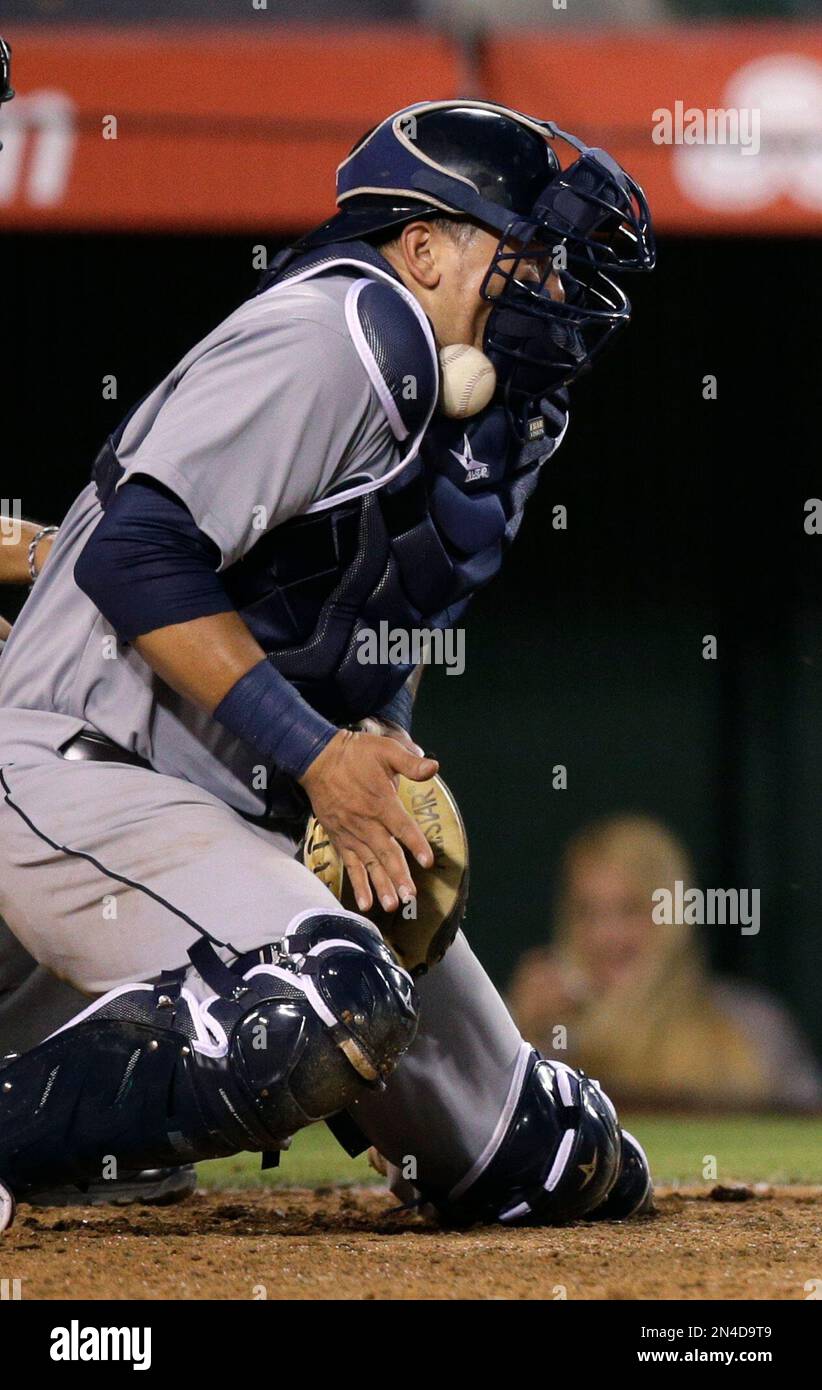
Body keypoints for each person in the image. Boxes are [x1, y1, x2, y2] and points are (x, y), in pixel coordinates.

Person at [0, 100, 657, 1234]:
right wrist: (318, 757)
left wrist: (372, 752)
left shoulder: (505, 418)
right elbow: (134, 555)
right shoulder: (341, 331)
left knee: (550, 1162)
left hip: (233, 808)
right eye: (530, 250)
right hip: (79, 766)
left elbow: (371, 614)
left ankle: (123, 1095)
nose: (554, 282)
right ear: (422, 247)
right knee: (314, 1001)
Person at [508, 815, 822, 1110]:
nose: (604, 937)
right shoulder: (539, 1040)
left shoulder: (751, 1027)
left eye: (630, 910)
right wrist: (520, 1039)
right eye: (586, 913)